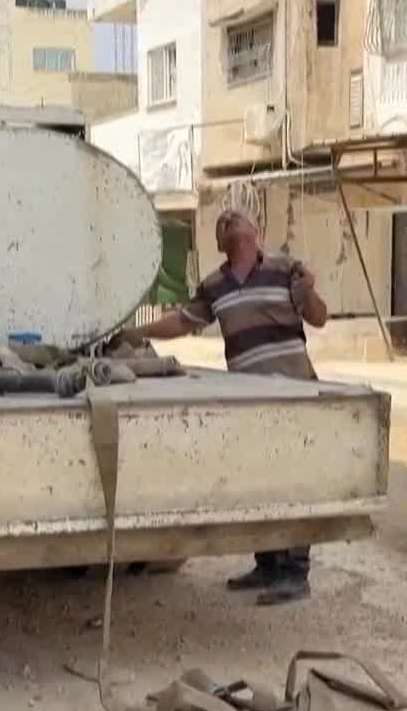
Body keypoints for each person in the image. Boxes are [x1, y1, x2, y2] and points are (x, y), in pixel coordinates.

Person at [120, 208, 328, 605]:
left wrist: (310, 294)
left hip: (295, 393)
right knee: (259, 481)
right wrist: (138, 332)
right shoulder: (214, 285)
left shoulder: (287, 268)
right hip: (248, 398)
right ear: (218, 243)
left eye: (238, 217)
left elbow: (319, 319)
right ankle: (267, 564)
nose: (230, 218)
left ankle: (295, 572)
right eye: (223, 220)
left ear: (257, 231)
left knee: (295, 482)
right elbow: (183, 321)